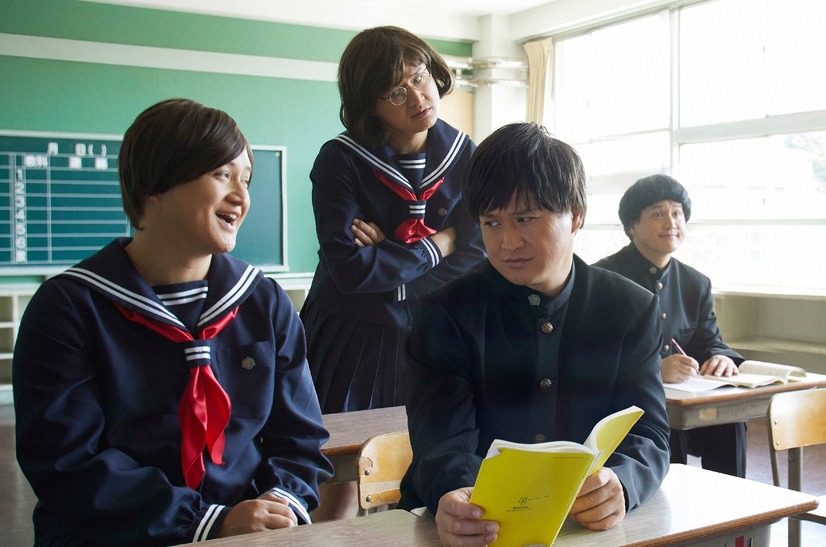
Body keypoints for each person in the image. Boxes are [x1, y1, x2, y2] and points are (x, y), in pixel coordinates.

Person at [13, 98, 334, 546]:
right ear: (154, 187)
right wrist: (207, 521)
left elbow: (299, 438)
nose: (241, 198)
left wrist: (277, 506)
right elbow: (67, 464)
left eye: (246, 180)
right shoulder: (69, 308)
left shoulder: (263, 301)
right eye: (221, 175)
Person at [397, 122, 670, 547]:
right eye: (491, 223)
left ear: (575, 215)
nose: (508, 242)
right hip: (473, 531)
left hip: (583, 530)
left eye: (525, 219)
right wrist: (456, 496)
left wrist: (622, 483)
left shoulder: (629, 309)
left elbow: (649, 432)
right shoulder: (445, 313)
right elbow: (442, 442)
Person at [300, 26, 486, 519]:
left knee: (430, 472)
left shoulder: (466, 155)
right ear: (371, 106)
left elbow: (476, 253)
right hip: (351, 338)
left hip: (429, 333)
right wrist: (438, 244)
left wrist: (390, 257)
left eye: (420, 78)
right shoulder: (340, 160)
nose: (418, 98)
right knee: (340, 482)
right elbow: (349, 269)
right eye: (396, 93)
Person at [593, 174, 746, 478]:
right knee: (661, 422)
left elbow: (709, 341)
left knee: (729, 422)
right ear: (632, 226)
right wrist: (654, 370)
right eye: (657, 214)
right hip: (625, 408)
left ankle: (734, 507)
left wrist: (721, 357)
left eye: (677, 213)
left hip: (685, 407)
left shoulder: (696, 283)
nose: (671, 223)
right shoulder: (602, 279)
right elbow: (593, 355)